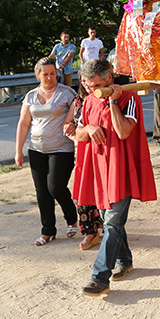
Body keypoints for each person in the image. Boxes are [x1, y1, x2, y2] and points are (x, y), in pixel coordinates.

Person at [72, 59, 158, 296]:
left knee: (110, 223)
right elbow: (77, 134)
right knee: (109, 220)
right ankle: (125, 259)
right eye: (88, 85)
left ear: (110, 78)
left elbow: (122, 131)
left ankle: (99, 277)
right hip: (99, 172)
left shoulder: (130, 99)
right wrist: (88, 128)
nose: (92, 90)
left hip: (122, 171)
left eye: (97, 84)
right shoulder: (88, 101)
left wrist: (112, 101)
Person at [14, 57, 79, 246]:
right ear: (38, 75)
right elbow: (24, 123)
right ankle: (48, 230)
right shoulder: (31, 96)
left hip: (61, 149)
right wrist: (18, 150)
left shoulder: (67, 93)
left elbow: (76, 117)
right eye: (45, 74)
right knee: (42, 192)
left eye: (53, 73)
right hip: (36, 149)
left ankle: (71, 218)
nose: (50, 77)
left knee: (55, 187)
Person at [65, 73, 103, 250]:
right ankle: (90, 232)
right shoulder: (78, 102)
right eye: (83, 80)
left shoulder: (108, 96)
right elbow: (67, 124)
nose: (86, 84)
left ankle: (110, 228)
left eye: (90, 81)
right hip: (82, 151)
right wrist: (72, 133)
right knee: (83, 191)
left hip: (103, 152)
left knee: (104, 190)